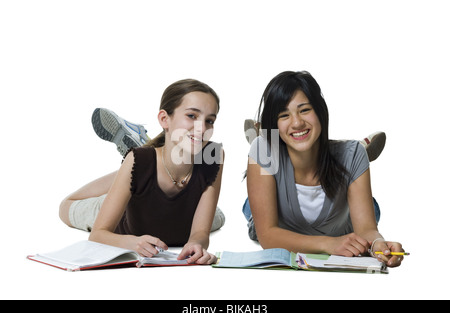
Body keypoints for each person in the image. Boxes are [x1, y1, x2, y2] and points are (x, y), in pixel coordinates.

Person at [244, 71, 405, 267]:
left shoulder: (351, 156)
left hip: (343, 216)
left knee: (371, 205)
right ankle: (263, 139)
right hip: (279, 211)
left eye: (304, 110)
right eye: (284, 115)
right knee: (252, 202)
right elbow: (267, 236)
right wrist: (328, 244)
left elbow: (366, 229)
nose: (297, 122)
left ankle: (360, 150)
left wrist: (379, 245)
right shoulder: (264, 152)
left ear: (320, 111)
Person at [59, 79, 225, 265]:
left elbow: (201, 233)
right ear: (164, 119)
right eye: (192, 116)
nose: (202, 128)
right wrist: (130, 242)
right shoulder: (138, 162)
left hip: (178, 216)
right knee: (65, 207)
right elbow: (98, 234)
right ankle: (135, 171)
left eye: (210, 121)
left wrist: (196, 243)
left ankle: (142, 165)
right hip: (127, 213)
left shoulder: (213, 156)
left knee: (218, 218)